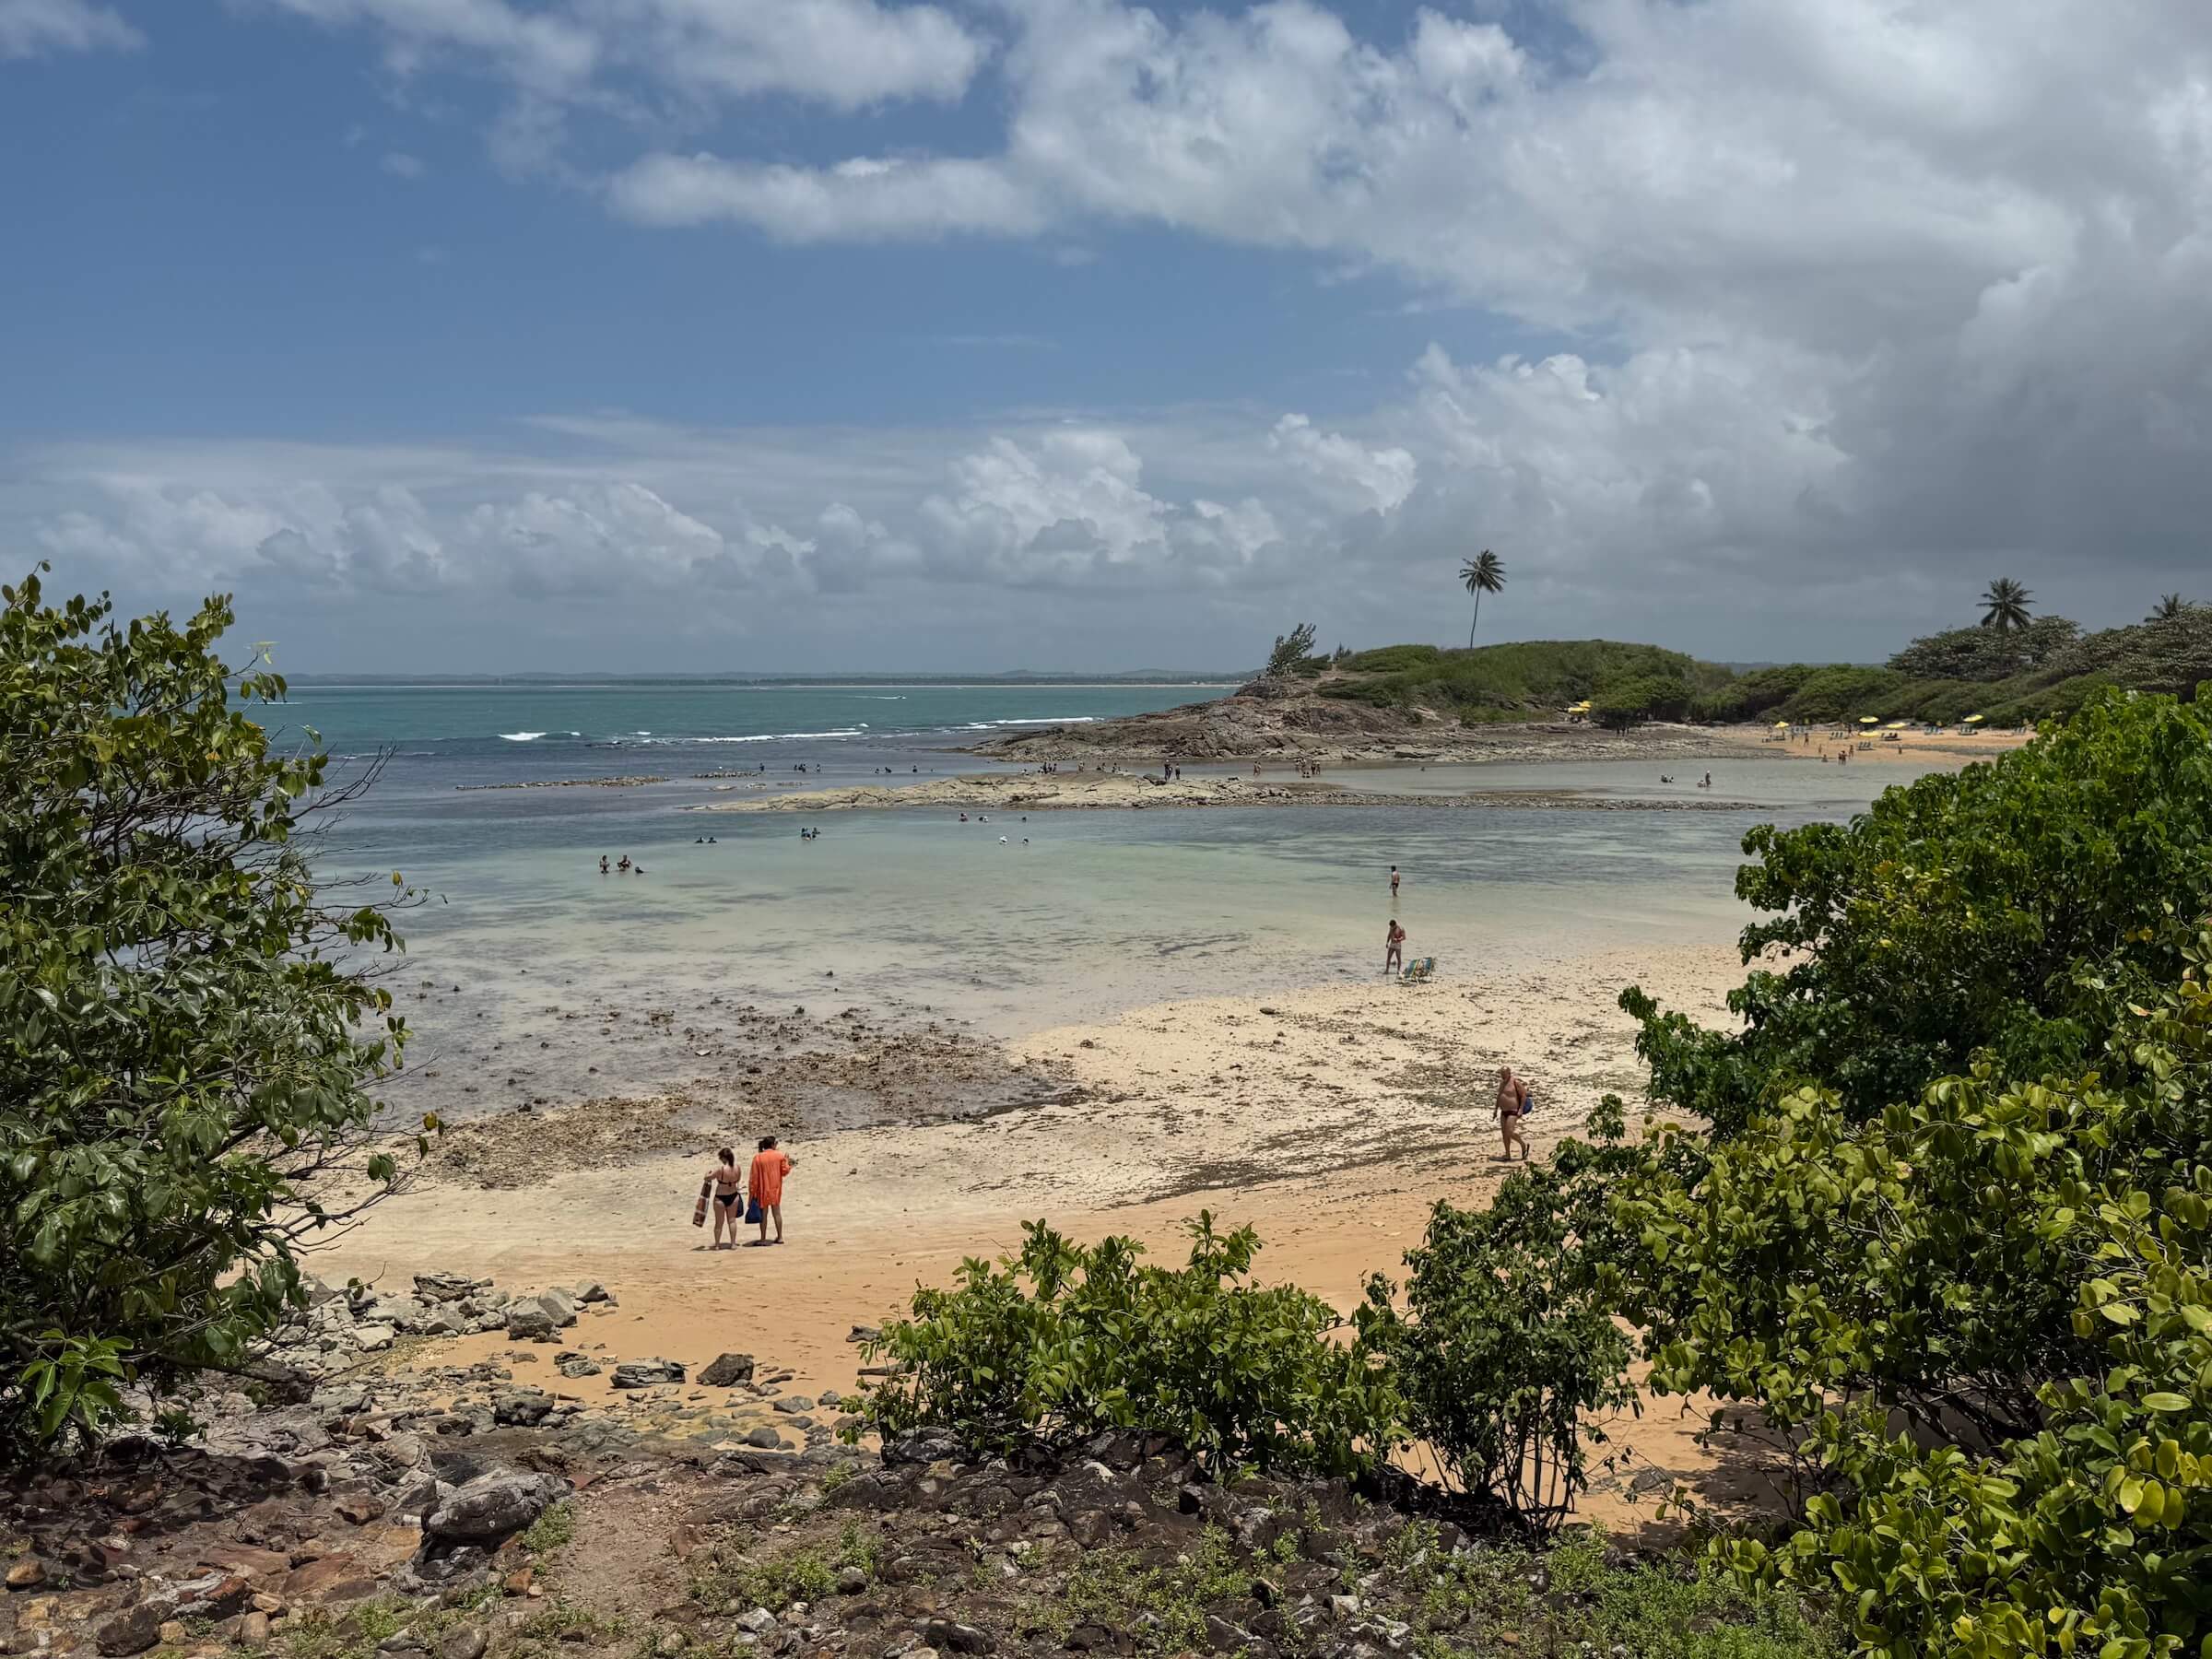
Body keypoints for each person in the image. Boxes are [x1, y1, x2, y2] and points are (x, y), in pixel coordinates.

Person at [747, 1135, 795, 1245]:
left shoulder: (758, 1158)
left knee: (763, 1215)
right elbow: (785, 1172)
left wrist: (752, 1194)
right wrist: (787, 1161)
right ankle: (780, 1237)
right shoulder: (779, 1156)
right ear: (773, 1145)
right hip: (775, 1189)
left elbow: (753, 1178)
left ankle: (763, 1239)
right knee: (777, 1213)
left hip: (762, 1190)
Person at [708, 1147, 746, 1248]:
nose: (720, 1160)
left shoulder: (721, 1169)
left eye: (720, 1158)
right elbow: (738, 1180)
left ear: (724, 1158)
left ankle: (717, 1245)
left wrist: (707, 1174)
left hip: (720, 1197)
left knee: (719, 1223)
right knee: (732, 1220)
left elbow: (708, 1178)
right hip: (733, 1195)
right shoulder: (737, 1168)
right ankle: (733, 1243)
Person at [1496, 1065, 1531, 1161]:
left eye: (1504, 1074)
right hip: (1503, 1111)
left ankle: (1523, 1145)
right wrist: (1495, 1110)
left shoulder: (1515, 1082)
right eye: (1501, 1074)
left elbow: (1523, 1095)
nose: (1502, 1076)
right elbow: (1499, 1096)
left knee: (1510, 1132)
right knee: (1504, 1133)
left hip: (1513, 1111)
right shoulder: (1502, 1084)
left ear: (1509, 1073)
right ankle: (1507, 1155)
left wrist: (1520, 1109)